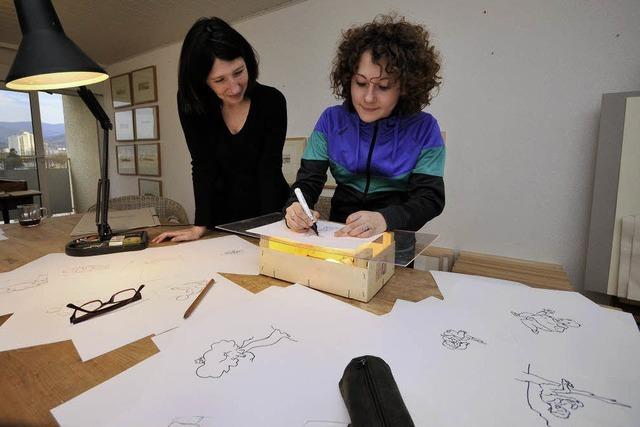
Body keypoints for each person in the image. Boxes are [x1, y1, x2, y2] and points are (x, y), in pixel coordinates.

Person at [284, 14, 445, 237]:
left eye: (384, 86)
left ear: (405, 87)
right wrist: (294, 206)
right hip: (340, 233)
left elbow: (430, 199)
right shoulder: (331, 121)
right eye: (360, 83)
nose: (368, 97)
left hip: (394, 237)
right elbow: (308, 181)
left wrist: (385, 219)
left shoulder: (425, 128)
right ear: (348, 79)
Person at [153, 17, 289, 243]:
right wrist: (199, 225)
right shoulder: (192, 104)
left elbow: (270, 169)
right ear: (202, 81)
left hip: (271, 214)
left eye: (238, 72)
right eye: (220, 80)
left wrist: (268, 231)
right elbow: (202, 164)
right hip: (221, 221)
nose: (234, 88)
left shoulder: (272, 101)